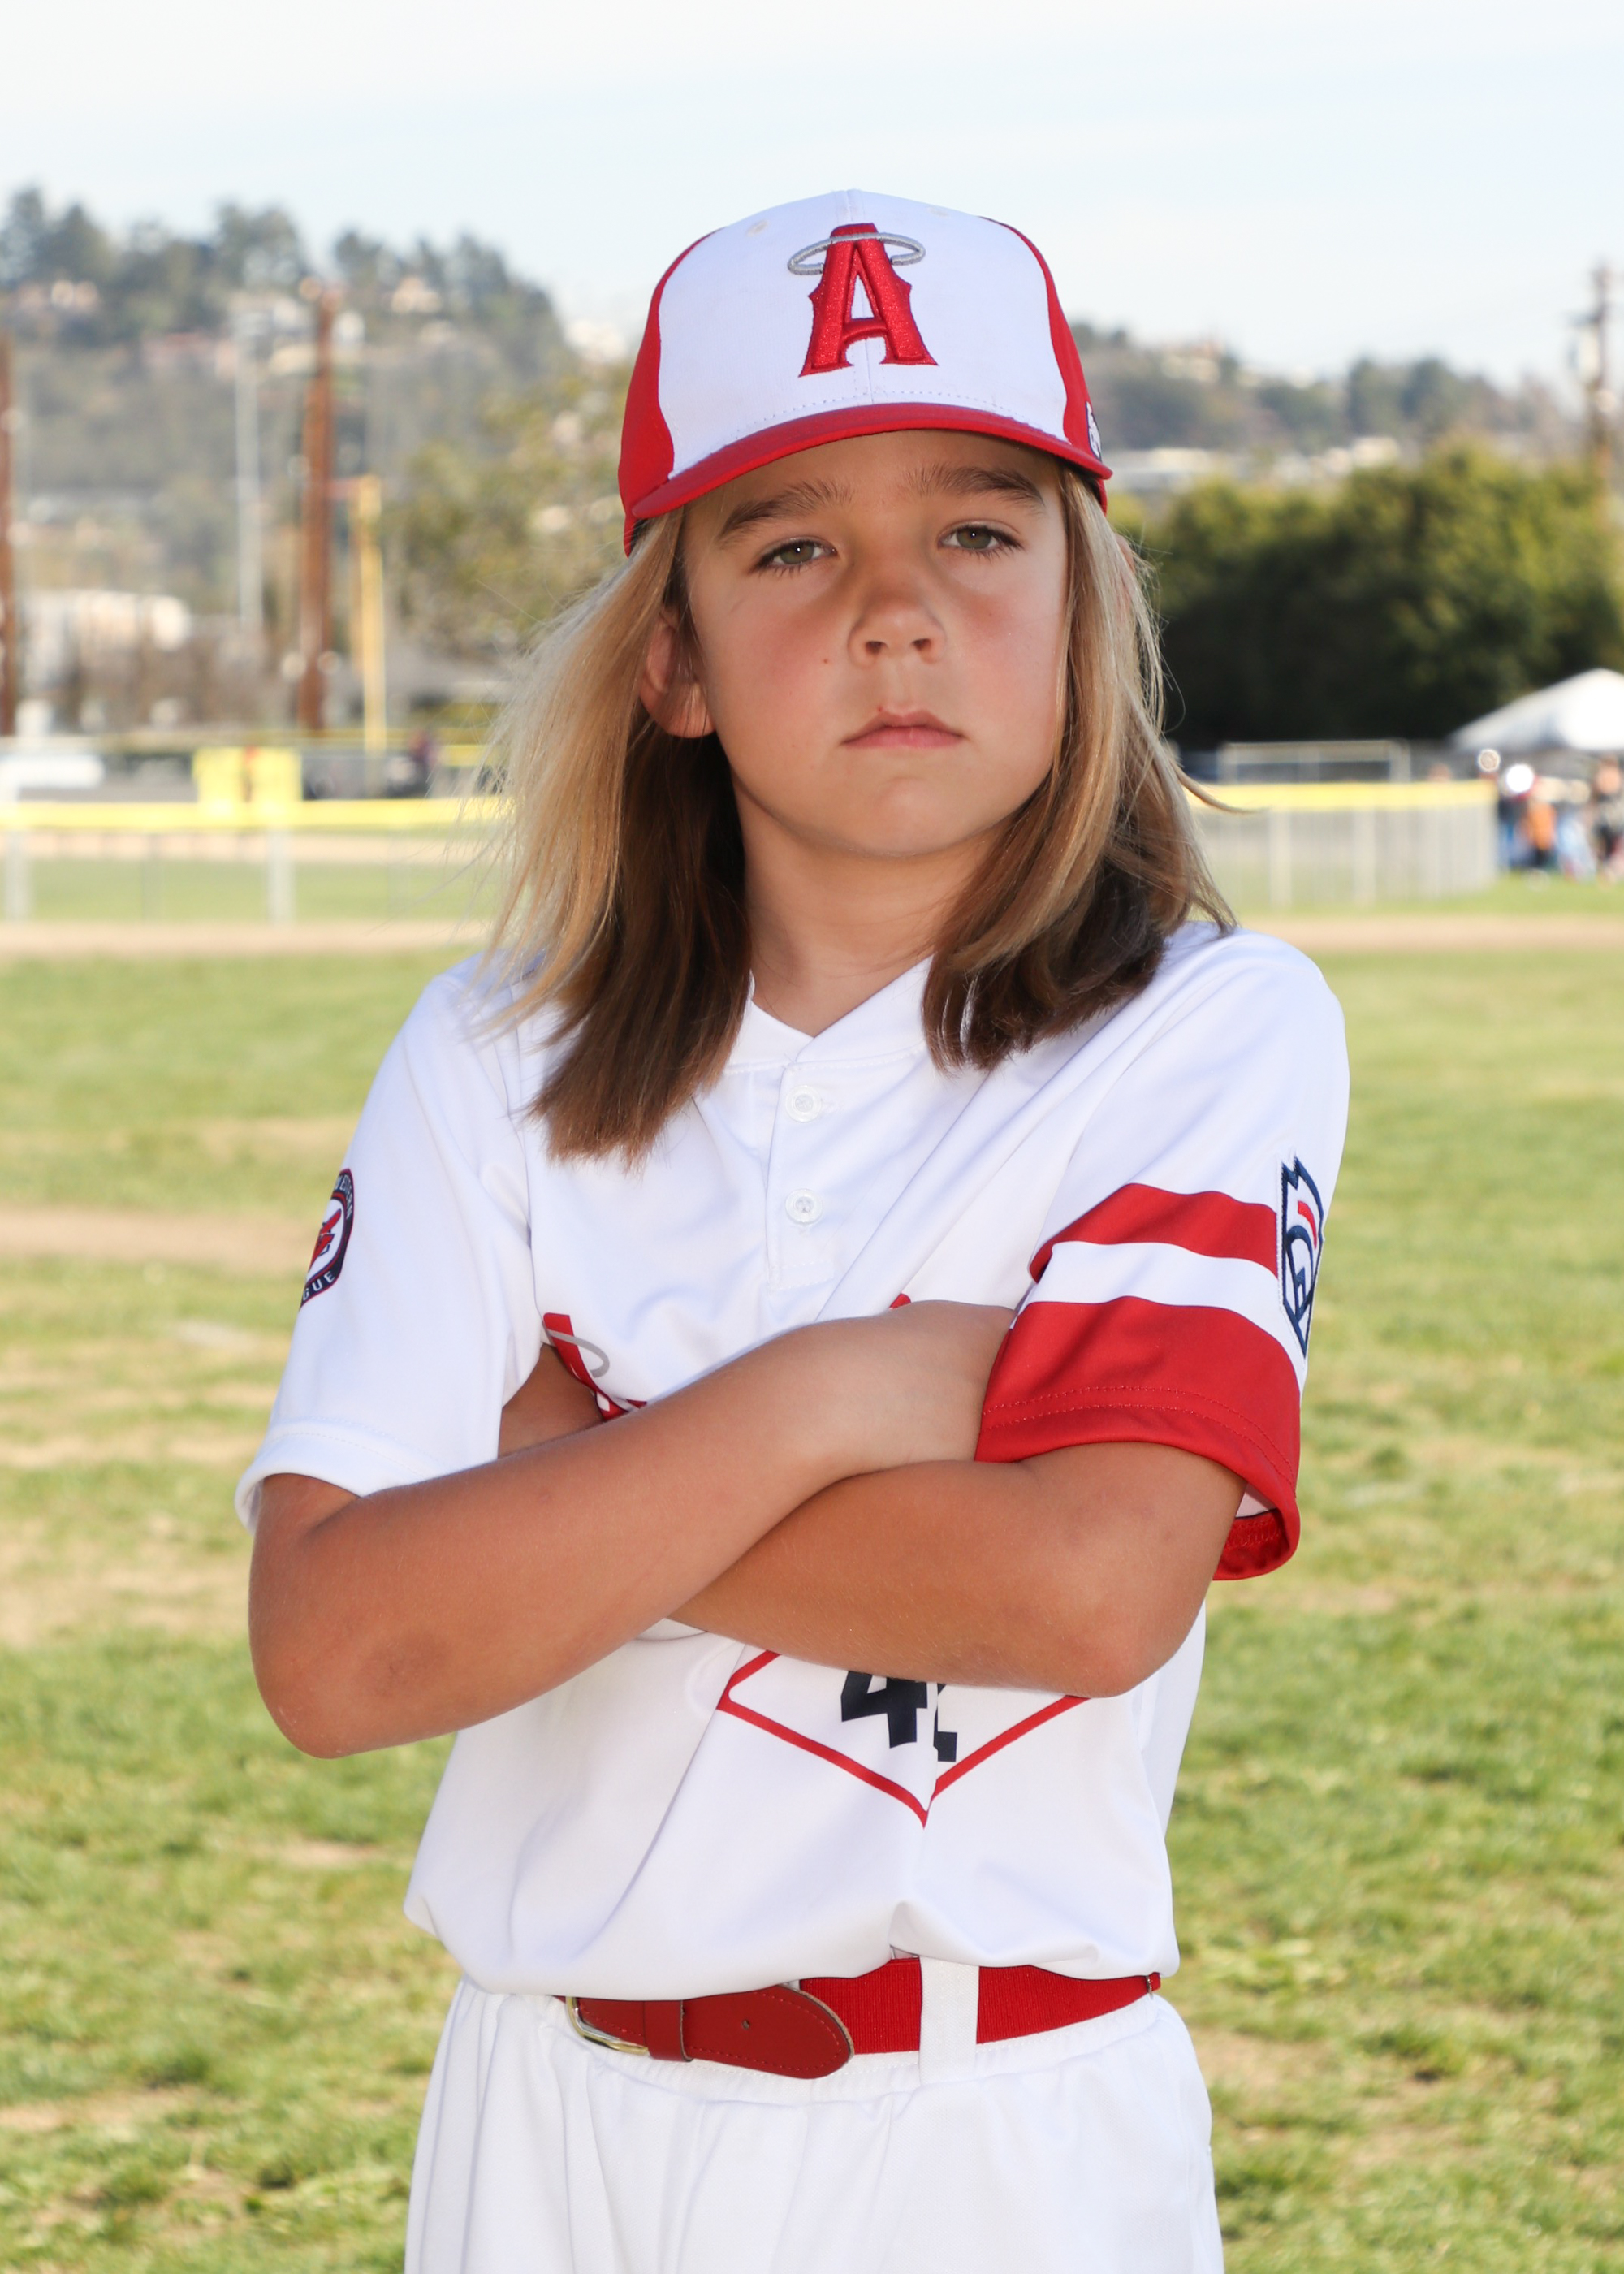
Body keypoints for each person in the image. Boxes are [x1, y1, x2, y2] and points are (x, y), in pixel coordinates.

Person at [241, 190, 1350, 2274]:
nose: (896, 611)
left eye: (980, 531)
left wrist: (568, 1483)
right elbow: (337, 1648)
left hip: (994, 2135)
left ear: (1080, 613)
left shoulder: (1204, 1027)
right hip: (549, 2120)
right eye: (790, 547)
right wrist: (822, 1399)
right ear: (670, 656)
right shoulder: (496, 1052)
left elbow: (1091, 1583)